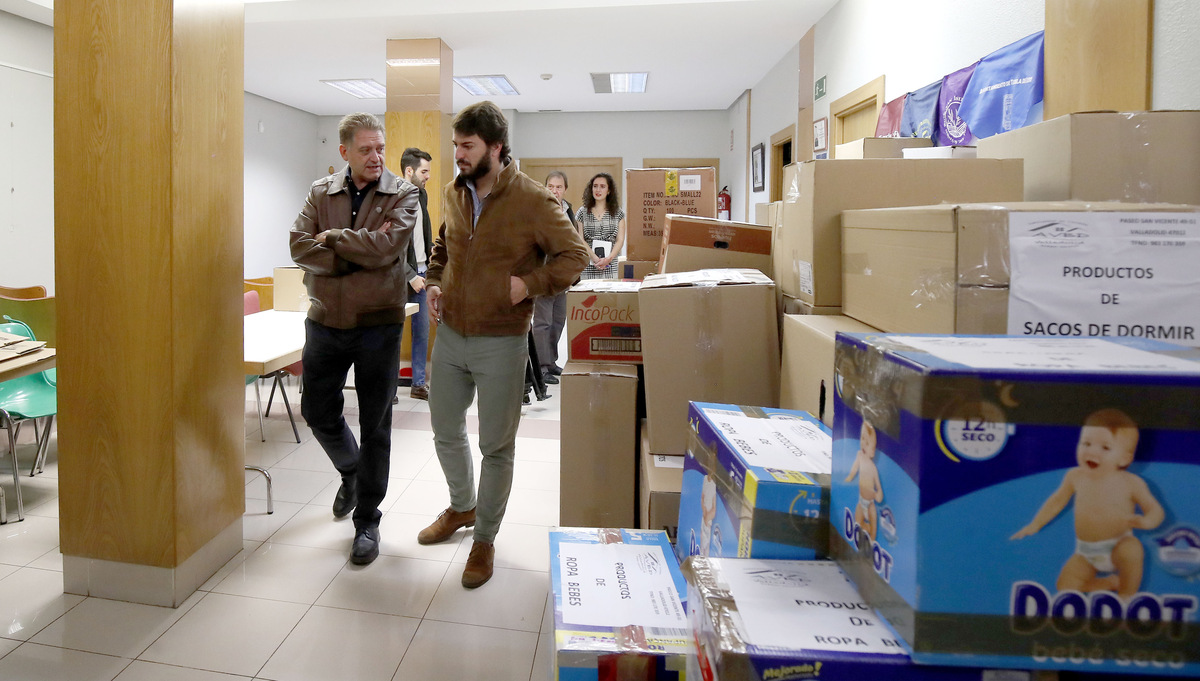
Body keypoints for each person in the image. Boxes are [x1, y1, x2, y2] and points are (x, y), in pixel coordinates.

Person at [419, 101, 589, 588]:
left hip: (501, 340)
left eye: (467, 147)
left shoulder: (533, 200)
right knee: (445, 429)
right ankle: (462, 506)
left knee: (496, 446)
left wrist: (529, 285)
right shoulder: (454, 191)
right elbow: (443, 244)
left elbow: (575, 256)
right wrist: (434, 281)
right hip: (451, 333)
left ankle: (484, 539)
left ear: (496, 147)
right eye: (455, 146)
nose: (458, 155)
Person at [289, 112, 419, 566]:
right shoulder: (319, 192)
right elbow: (298, 246)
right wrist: (356, 252)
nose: (376, 156)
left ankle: (368, 520)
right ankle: (350, 470)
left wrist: (335, 240)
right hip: (325, 321)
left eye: (380, 147)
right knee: (316, 409)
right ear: (343, 151)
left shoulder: (402, 193)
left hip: (378, 327)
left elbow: (389, 249)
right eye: (365, 149)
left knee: (376, 422)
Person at [1011, 408, 1164, 598]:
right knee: (1065, 586)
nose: (1091, 451)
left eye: (1105, 447)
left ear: (1125, 458)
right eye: (1086, 443)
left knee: (1132, 550)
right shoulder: (1075, 476)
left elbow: (1155, 510)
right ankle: (1106, 584)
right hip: (1085, 551)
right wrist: (1036, 523)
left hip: (1119, 543)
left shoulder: (1131, 483)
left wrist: (1147, 521)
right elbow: (1057, 501)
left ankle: (1126, 595)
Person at [532, 171, 580, 385]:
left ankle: (550, 361)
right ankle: (540, 367)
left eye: (558, 187)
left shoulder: (569, 210)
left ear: (565, 189)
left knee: (558, 320)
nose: (554, 190)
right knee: (542, 322)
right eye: (550, 186)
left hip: (563, 275)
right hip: (544, 275)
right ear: (545, 187)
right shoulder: (537, 210)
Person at [401, 147, 434, 400]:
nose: (428, 176)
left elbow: (423, 237)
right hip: (401, 279)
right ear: (409, 171)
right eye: (424, 171)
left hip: (422, 275)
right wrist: (410, 275)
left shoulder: (421, 195)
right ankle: (389, 388)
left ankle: (418, 384)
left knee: (422, 332)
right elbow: (390, 247)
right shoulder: (393, 198)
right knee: (393, 334)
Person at [575, 172, 626, 280]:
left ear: (609, 191)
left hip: (611, 265)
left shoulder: (618, 213)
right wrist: (594, 258)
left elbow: (620, 240)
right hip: (588, 265)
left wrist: (608, 259)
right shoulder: (582, 212)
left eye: (602, 187)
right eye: (595, 186)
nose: (598, 190)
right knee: (589, 296)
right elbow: (580, 239)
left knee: (610, 296)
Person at [844, 420, 881, 542]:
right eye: (862, 438)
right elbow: (855, 467)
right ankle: (865, 528)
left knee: (874, 525)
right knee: (857, 522)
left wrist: (878, 493)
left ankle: (872, 539)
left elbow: (878, 485)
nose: (863, 443)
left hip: (870, 504)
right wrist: (850, 476)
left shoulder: (873, 467)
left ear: (872, 451)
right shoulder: (859, 455)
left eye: (867, 442)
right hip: (861, 501)